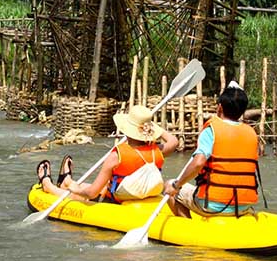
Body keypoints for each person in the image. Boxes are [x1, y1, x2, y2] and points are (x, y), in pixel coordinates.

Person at [36, 104, 178, 203]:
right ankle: (66, 181)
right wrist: (151, 126)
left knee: (83, 194)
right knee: (99, 186)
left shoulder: (116, 155)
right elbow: (173, 141)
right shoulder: (157, 151)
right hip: (139, 193)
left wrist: (75, 190)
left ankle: (49, 186)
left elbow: (91, 193)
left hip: (116, 199)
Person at [162, 82, 260, 218]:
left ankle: (188, 226)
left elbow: (198, 163)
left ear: (219, 108)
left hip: (212, 205)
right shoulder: (252, 133)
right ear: (243, 111)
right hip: (244, 205)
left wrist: (176, 185)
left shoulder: (211, 130)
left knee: (169, 185)